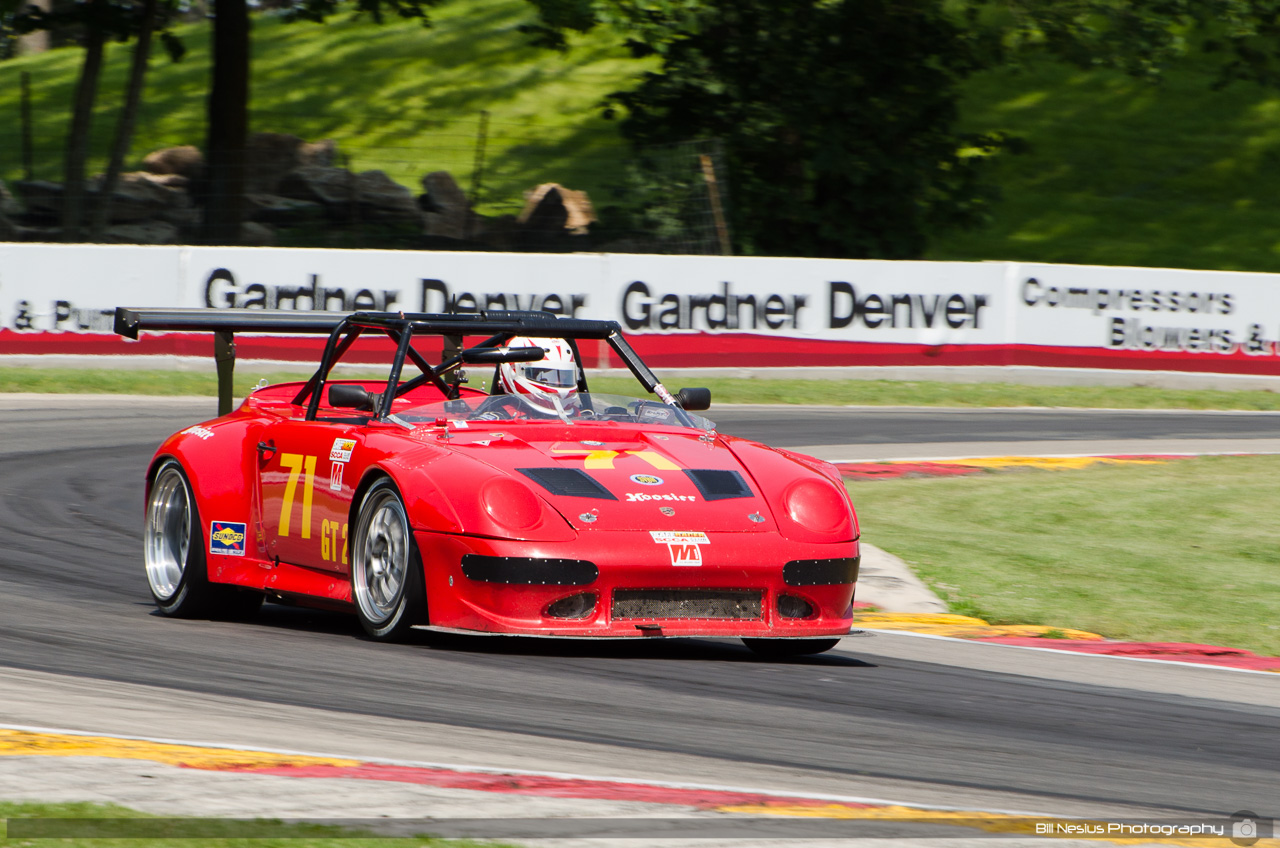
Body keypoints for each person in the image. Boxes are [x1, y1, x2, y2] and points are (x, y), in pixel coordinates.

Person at [489, 336, 580, 418]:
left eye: (565, 377)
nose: (558, 383)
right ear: (514, 371)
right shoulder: (499, 421)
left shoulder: (581, 417)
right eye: (545, 376)